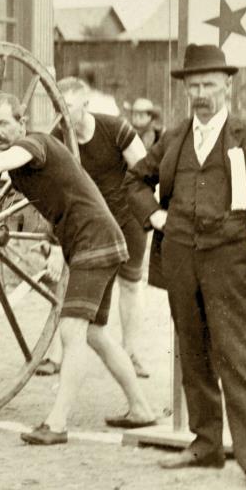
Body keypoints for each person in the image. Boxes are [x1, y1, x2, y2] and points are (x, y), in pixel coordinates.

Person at [0, 93, 159, 447]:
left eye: (4, 123)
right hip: (92, 241)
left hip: (94, 240)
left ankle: (56, 424)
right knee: (95, 334)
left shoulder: (35, 144)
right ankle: (142, 408)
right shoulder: (19, 162)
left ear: (22, 123)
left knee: (72, 332)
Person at [133, 44, 246, 490]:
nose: (202, 93)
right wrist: (154, 215)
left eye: (209, 84)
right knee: (192, 352)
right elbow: (133, 182)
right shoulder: (173, 138)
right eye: (194, 86)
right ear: (186, 91)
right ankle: (205, 443)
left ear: (228, 85)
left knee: (239, 356)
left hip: (234, 258)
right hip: (181, 256)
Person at [56, 76, 158, 378]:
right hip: (89, 224)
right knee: (74, 282)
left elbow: (146, 171)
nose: (61, 113)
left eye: (68, 106)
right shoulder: (57, 136)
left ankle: (131, 352)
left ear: (85, 105)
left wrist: (152, 212)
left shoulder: (115, 128)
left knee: (130, 282)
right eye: (56, 106)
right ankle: (66, 356)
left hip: (127, 217)